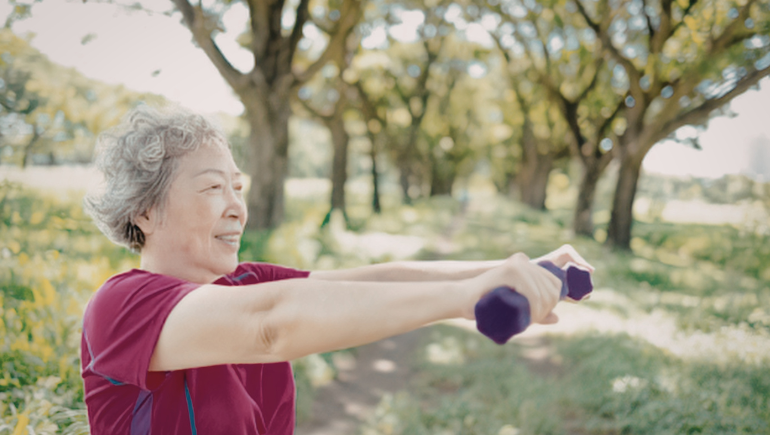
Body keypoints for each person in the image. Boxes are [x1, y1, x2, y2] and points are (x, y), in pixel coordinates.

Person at [81, 104, 593, 435]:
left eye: (238, 187)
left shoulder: (243, 284)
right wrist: (465, 299)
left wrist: (507, 270)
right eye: (214, 188)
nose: (237, 205)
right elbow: (269, 326)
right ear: (145, 212)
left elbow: (369, 280)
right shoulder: (122, 306)